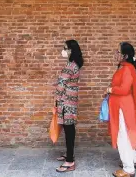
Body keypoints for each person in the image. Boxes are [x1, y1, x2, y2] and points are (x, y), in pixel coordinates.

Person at [106, 42, 136, 177]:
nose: (116, 54)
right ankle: (135, 160)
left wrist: (110, 89)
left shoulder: (127, 69)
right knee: (126, 134)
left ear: (125, 55)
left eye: (118, 52)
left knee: (123, 136)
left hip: (123, 106)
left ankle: (128, 169)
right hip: (121, 105)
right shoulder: (124, 67)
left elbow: (124, 89)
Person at [54, 40, 84, 173]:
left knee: (69, 130)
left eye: (65, 48)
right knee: (69, 129)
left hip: (66, 102)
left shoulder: (70, 66)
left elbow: (61, 84)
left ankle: (70, 161)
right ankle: (69, 154)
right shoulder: (74, 64)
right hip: (70, 101)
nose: (63, 50)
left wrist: (56, 99)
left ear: (71, 50)